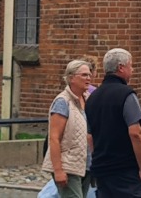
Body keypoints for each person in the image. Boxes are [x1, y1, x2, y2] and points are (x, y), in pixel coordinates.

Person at [87, 48, 141, 198]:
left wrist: (98, 158)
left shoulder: (93, 97)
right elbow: (136, 133)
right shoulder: (127, 95)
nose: (132, 70)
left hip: (102, 169)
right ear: (121, 68)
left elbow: (90, 136)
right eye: (130, 66)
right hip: (125, 169)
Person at [44, 59, 93, 198]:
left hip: (86, 165)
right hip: (68, 166)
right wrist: (58, 170)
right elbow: (54, 138)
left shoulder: (89, 99)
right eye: (84, 75)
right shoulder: (62, 102)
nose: (88, 78)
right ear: (71, 78)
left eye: (89, 75)